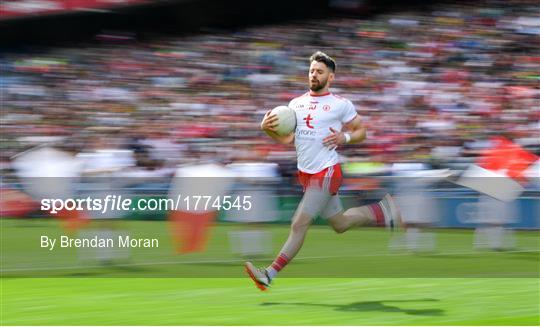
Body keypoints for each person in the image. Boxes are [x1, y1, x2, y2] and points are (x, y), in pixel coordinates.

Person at [245, 51, 401, 291]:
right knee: (339, 224)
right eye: (311, 71)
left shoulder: (340, 105)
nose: (313, 74)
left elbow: (362, 131)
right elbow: (287, 139)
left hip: (327, 171)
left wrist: (344, 136)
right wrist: (266, 128)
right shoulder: (295, 105)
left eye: (319, 71)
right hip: (306, 173)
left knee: (299, 223)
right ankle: (382, 211)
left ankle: (269, 274)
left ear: (331, 77)